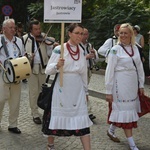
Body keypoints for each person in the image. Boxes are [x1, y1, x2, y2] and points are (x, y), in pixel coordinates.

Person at [42, 23, 93, 150]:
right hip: (62, 87)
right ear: (69, 33)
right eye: (77, 33)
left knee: (82, 118)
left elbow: (83, 73)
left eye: (82, 33)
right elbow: (48, 70)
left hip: (77, 89)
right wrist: (57, 65)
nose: (80, 36)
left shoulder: (81, 50)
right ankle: (51, 145)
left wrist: (86, 92)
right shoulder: (59, 49)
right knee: (55, 115)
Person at [105, 23, 145, 150]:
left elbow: (139, 67)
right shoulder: (115, 50)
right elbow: (109, 71)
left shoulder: (135, 48)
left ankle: (111, 130)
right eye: (120, 33)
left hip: (132, 84)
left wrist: (141, 84)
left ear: (131, 34)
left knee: (125, 111)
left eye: (125, 33)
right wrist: (108, 91)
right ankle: (132, 144)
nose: (122, 35)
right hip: (120, 83)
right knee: (124, 110)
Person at [22, 19, 54, 124]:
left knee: (42, 91)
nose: (38, 31)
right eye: (36, 29)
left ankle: (43, 109)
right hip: (31, 68)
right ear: (30, 30)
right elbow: (21, 54)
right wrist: (29, 55)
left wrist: (52, 45)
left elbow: (50, 50)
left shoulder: (44, 37)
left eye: (39, 28)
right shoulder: (25, 39)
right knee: (33, 92)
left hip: (43, 67)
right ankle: (35, 113)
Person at [0, 18, 24, 134]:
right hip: (2, 74)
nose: (13, 29)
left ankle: (13, 124)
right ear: (3, 29)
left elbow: (22, 55)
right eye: (10, 27)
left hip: (17, 74)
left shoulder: (19, 41)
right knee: (0, 100)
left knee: (15, 101)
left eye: (14, 27)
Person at [80, 28, 99, 121]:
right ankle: (88, 111)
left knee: (84, 90)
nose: (85, 36)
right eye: (83, 34)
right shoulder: (76, 45)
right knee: (84, 90)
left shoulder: (89, 45)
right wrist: (85, 57)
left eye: (86, 34)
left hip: (87, 70)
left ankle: (84, 110)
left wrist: (94, 55)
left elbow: (96, 58)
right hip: (78, 71)